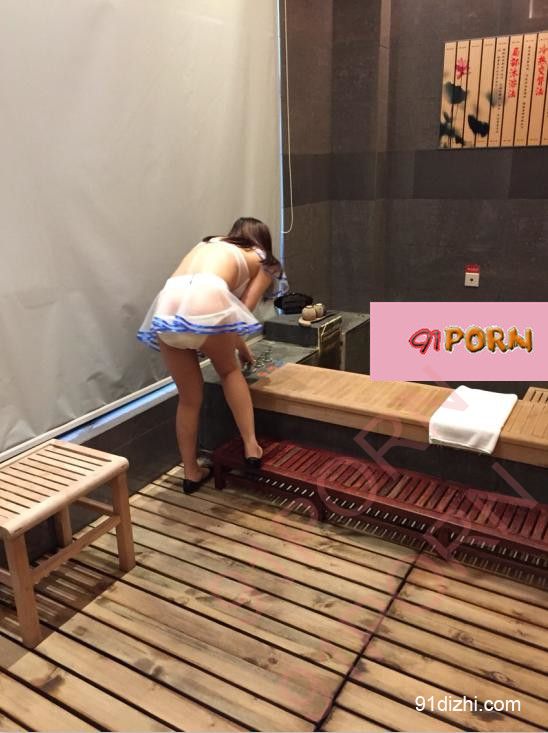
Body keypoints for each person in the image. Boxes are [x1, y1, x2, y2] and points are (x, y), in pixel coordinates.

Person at [137, 217, 288, 493]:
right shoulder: (263, 258)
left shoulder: (209, 243)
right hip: (205, 300)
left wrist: (241, 348)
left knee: (189, 398)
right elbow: (242, 310)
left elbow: (225, 315)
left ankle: (191, 472)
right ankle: (251, 447)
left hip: (166, 307)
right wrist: (237, 351)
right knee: (229, 372)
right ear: (262, 241)